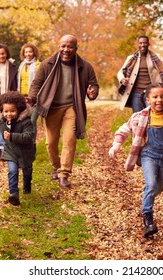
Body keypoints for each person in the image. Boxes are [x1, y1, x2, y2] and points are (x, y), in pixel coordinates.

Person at [108, 83, 163, 238]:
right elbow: (124, 130)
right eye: (155, 97)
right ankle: (148, 219)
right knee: (151, 185)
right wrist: (116, 144)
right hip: (148, 155)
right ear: (147, 99)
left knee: (157, 188)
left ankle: (149, 195)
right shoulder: (139, 117)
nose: (159, 100)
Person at [27, 34, 99, 188]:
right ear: (59, 46)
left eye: (70, 46)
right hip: (51, 107)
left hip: (72, 107)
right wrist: (32, 98)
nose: (66, 49)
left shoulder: (85, 67)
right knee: (50, 142)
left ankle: (63, 174)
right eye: (63, 46)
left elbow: (94, 84)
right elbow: (36, 84)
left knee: (69, 140)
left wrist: (93, 92)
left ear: (75, 48)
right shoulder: (48, 64)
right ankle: (56, 166)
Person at [117, 35, 163, 112]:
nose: (143, 45)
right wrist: (122, 79)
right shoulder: (131, 58)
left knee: (154, 116)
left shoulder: (156, 57)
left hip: (152, 94)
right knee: (138, 119)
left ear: (148, 44)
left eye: (145, 43)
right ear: (138, 44)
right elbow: (120, 72)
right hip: (136, 94)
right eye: (140, 43)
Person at [0, 91, 36, 206]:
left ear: (19, 109)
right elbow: (3, 136)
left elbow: (29, 137)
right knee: (12, 171)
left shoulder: (26, 122)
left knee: (27, 171)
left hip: (25, 152)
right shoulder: (3, 122)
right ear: (2, 111)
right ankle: (14, 194)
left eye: (12, 111)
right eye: (6, 111)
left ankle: (27, 184)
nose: (9, 114)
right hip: (11, 152)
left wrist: (12, 136)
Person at [17, 42, 41, 137]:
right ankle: (25, 143)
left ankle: (32, 143)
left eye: (30, 52)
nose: (28, 54)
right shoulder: (21, 66)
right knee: (24, 120)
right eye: (26, 52)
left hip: (35, 98)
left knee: (32, 120)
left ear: (34, 53)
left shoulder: (39, 65)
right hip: (23, 97)